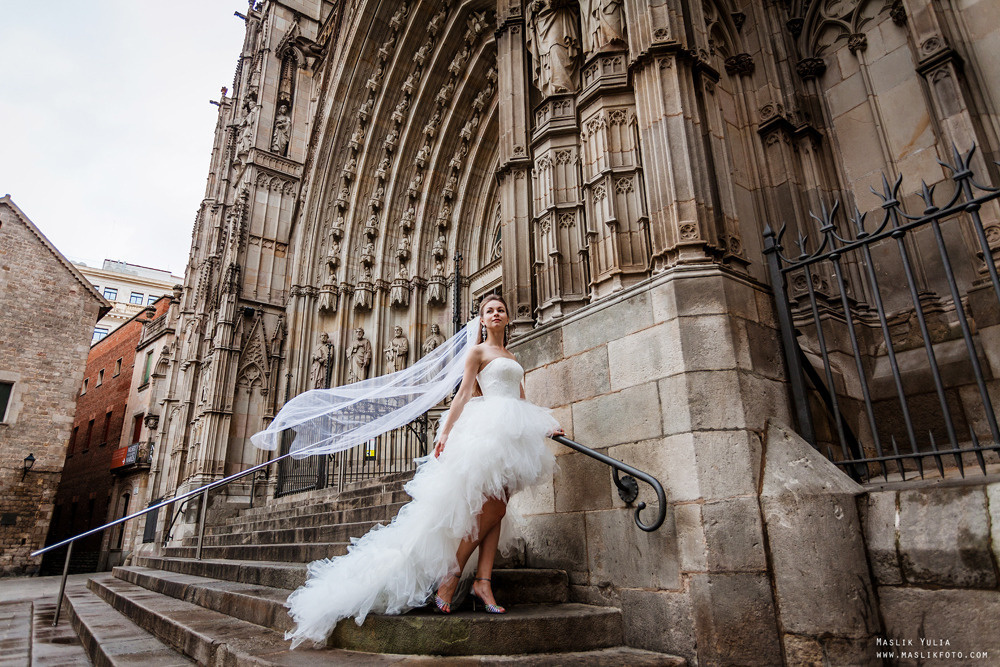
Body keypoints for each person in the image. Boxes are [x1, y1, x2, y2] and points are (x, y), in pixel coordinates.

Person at [270, 294, 563, 648]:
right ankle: (453, 573)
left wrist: (545, 425)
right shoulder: (477, 353)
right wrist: (446, 432)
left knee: (498, 508)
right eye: (489, 310)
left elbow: (521, 398)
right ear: (481, 320)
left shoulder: (513, 356)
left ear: (506, 318)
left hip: (512, 431)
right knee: (492, 506)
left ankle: (483, 581)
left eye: (500, 309)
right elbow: (464, 394)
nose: (496, 313)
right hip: (486, 431)